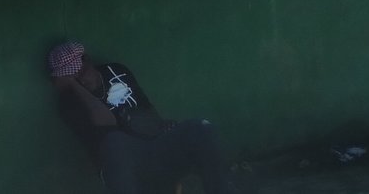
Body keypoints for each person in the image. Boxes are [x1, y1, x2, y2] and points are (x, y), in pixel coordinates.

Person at [49, 41, 234, 194]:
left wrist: (162, 126)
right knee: (114, 141)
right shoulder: (69, 102)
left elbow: (147, 109)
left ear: (87, 60)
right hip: (125, 167)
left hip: (155, 148)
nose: (77, 76)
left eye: (79, 70)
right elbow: (107, 123)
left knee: (200, 128)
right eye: (70, 76)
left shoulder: (116, 70)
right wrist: (76, 87)